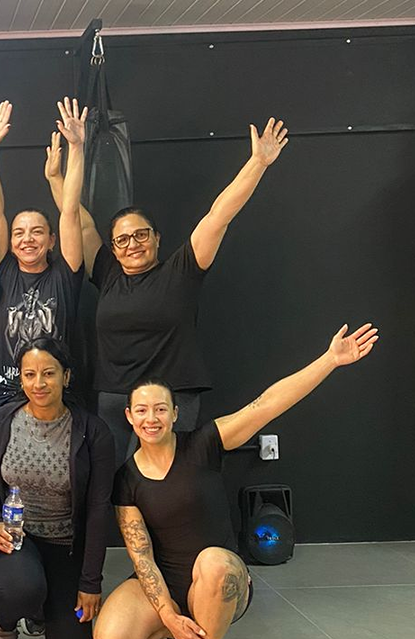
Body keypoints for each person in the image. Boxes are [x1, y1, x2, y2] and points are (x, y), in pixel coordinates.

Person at [93, 322, 379, 639]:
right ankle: (181, 635)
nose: (151, 418)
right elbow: (141, 557)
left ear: (175, 413)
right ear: (129, 416)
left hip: (220, 578)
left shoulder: (205, 443)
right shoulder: (126, 478)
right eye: (142, 410)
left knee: (212, 561)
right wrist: (169, 615)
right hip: (169, 584)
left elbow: (267, 404)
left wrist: (329, 360)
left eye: (160, 409)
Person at [88, 118, 289, 466]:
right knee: (117, 484)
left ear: (156, 238)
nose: (132, 243)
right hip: (115, 400)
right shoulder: (107, 272)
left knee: (165, 482)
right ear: (114, 249)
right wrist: (63, 168)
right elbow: (77, 221)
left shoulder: (181, 270)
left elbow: (218, 215)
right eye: (122, 239)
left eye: (141, 234)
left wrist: (258, 163)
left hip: (172, 398)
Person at [0, 337, 115, 639]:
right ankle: (6, 627)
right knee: (23, 588)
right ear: (20, 378)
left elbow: (99, 510)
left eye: (48, 373)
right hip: (14, 539)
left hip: (66, 546)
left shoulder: (93, 432)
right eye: (30, 374)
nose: (39, 383)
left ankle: (40, 609)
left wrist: (90, 583)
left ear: (66, 376)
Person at [0, 98, 87, 407]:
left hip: (59, 396)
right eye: (19, 233)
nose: (27, 239)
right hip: (9, 396)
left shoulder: (65, 274)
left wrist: (77, 148)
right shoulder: (2, 269)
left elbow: (70, 211)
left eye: (37, 231)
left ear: (52, 240)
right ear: (10, 242)